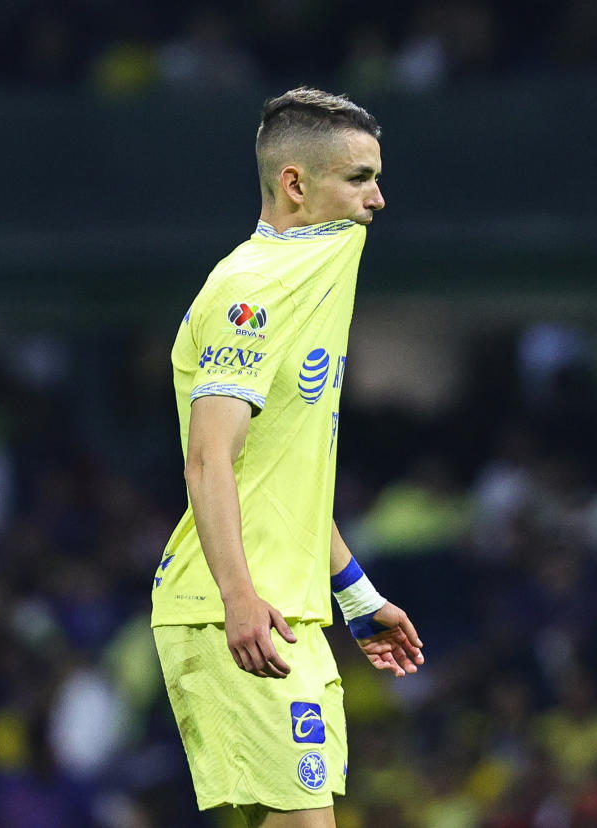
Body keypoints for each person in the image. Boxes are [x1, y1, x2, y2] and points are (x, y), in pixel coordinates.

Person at [151, 87, 424, 827]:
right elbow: (209, 461)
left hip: (290, 612)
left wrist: (358, 597)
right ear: (296, 185)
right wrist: (240, 597)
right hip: (236, 609)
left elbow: (283, 483)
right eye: (360, 178)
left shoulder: (315, 277)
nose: (379, 200)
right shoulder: (249, 293)